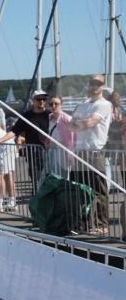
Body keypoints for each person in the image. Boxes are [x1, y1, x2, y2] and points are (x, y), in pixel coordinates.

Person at [69, 75, 113, 230]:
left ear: (103, 86)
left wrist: (80, 123)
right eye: (93, 83)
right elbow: (71, 126)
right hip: (80, 152)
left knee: (99, 191)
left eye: (98, 84)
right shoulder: (81, 105)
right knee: (81, 189)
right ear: (88, 85)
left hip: (95, 152)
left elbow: (90, 122)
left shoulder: (105, 104)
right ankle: (85, 223)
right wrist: (81, 123)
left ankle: (102, 224)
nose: (95, 86)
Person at [12, 90, 51, 188]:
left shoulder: (50, 115)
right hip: (32, 151)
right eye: (38, 99)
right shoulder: (26, 116)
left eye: (44, 99)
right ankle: (36, 193)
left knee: (49, 174)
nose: (41, 101)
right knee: (34, 175)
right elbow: (15, 130)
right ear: (33, 101)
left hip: (49, 150)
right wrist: (2, 139)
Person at [45, 95, 75, 178]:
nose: (53, 106)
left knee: (63, 177)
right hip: (52, 151)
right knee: (52, 175)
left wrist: (70, 154)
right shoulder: (50, 117)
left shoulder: (67, 119)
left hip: (64, 153)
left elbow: (72, 138)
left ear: (61, 105)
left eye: (56, 104)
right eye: (51, 104)